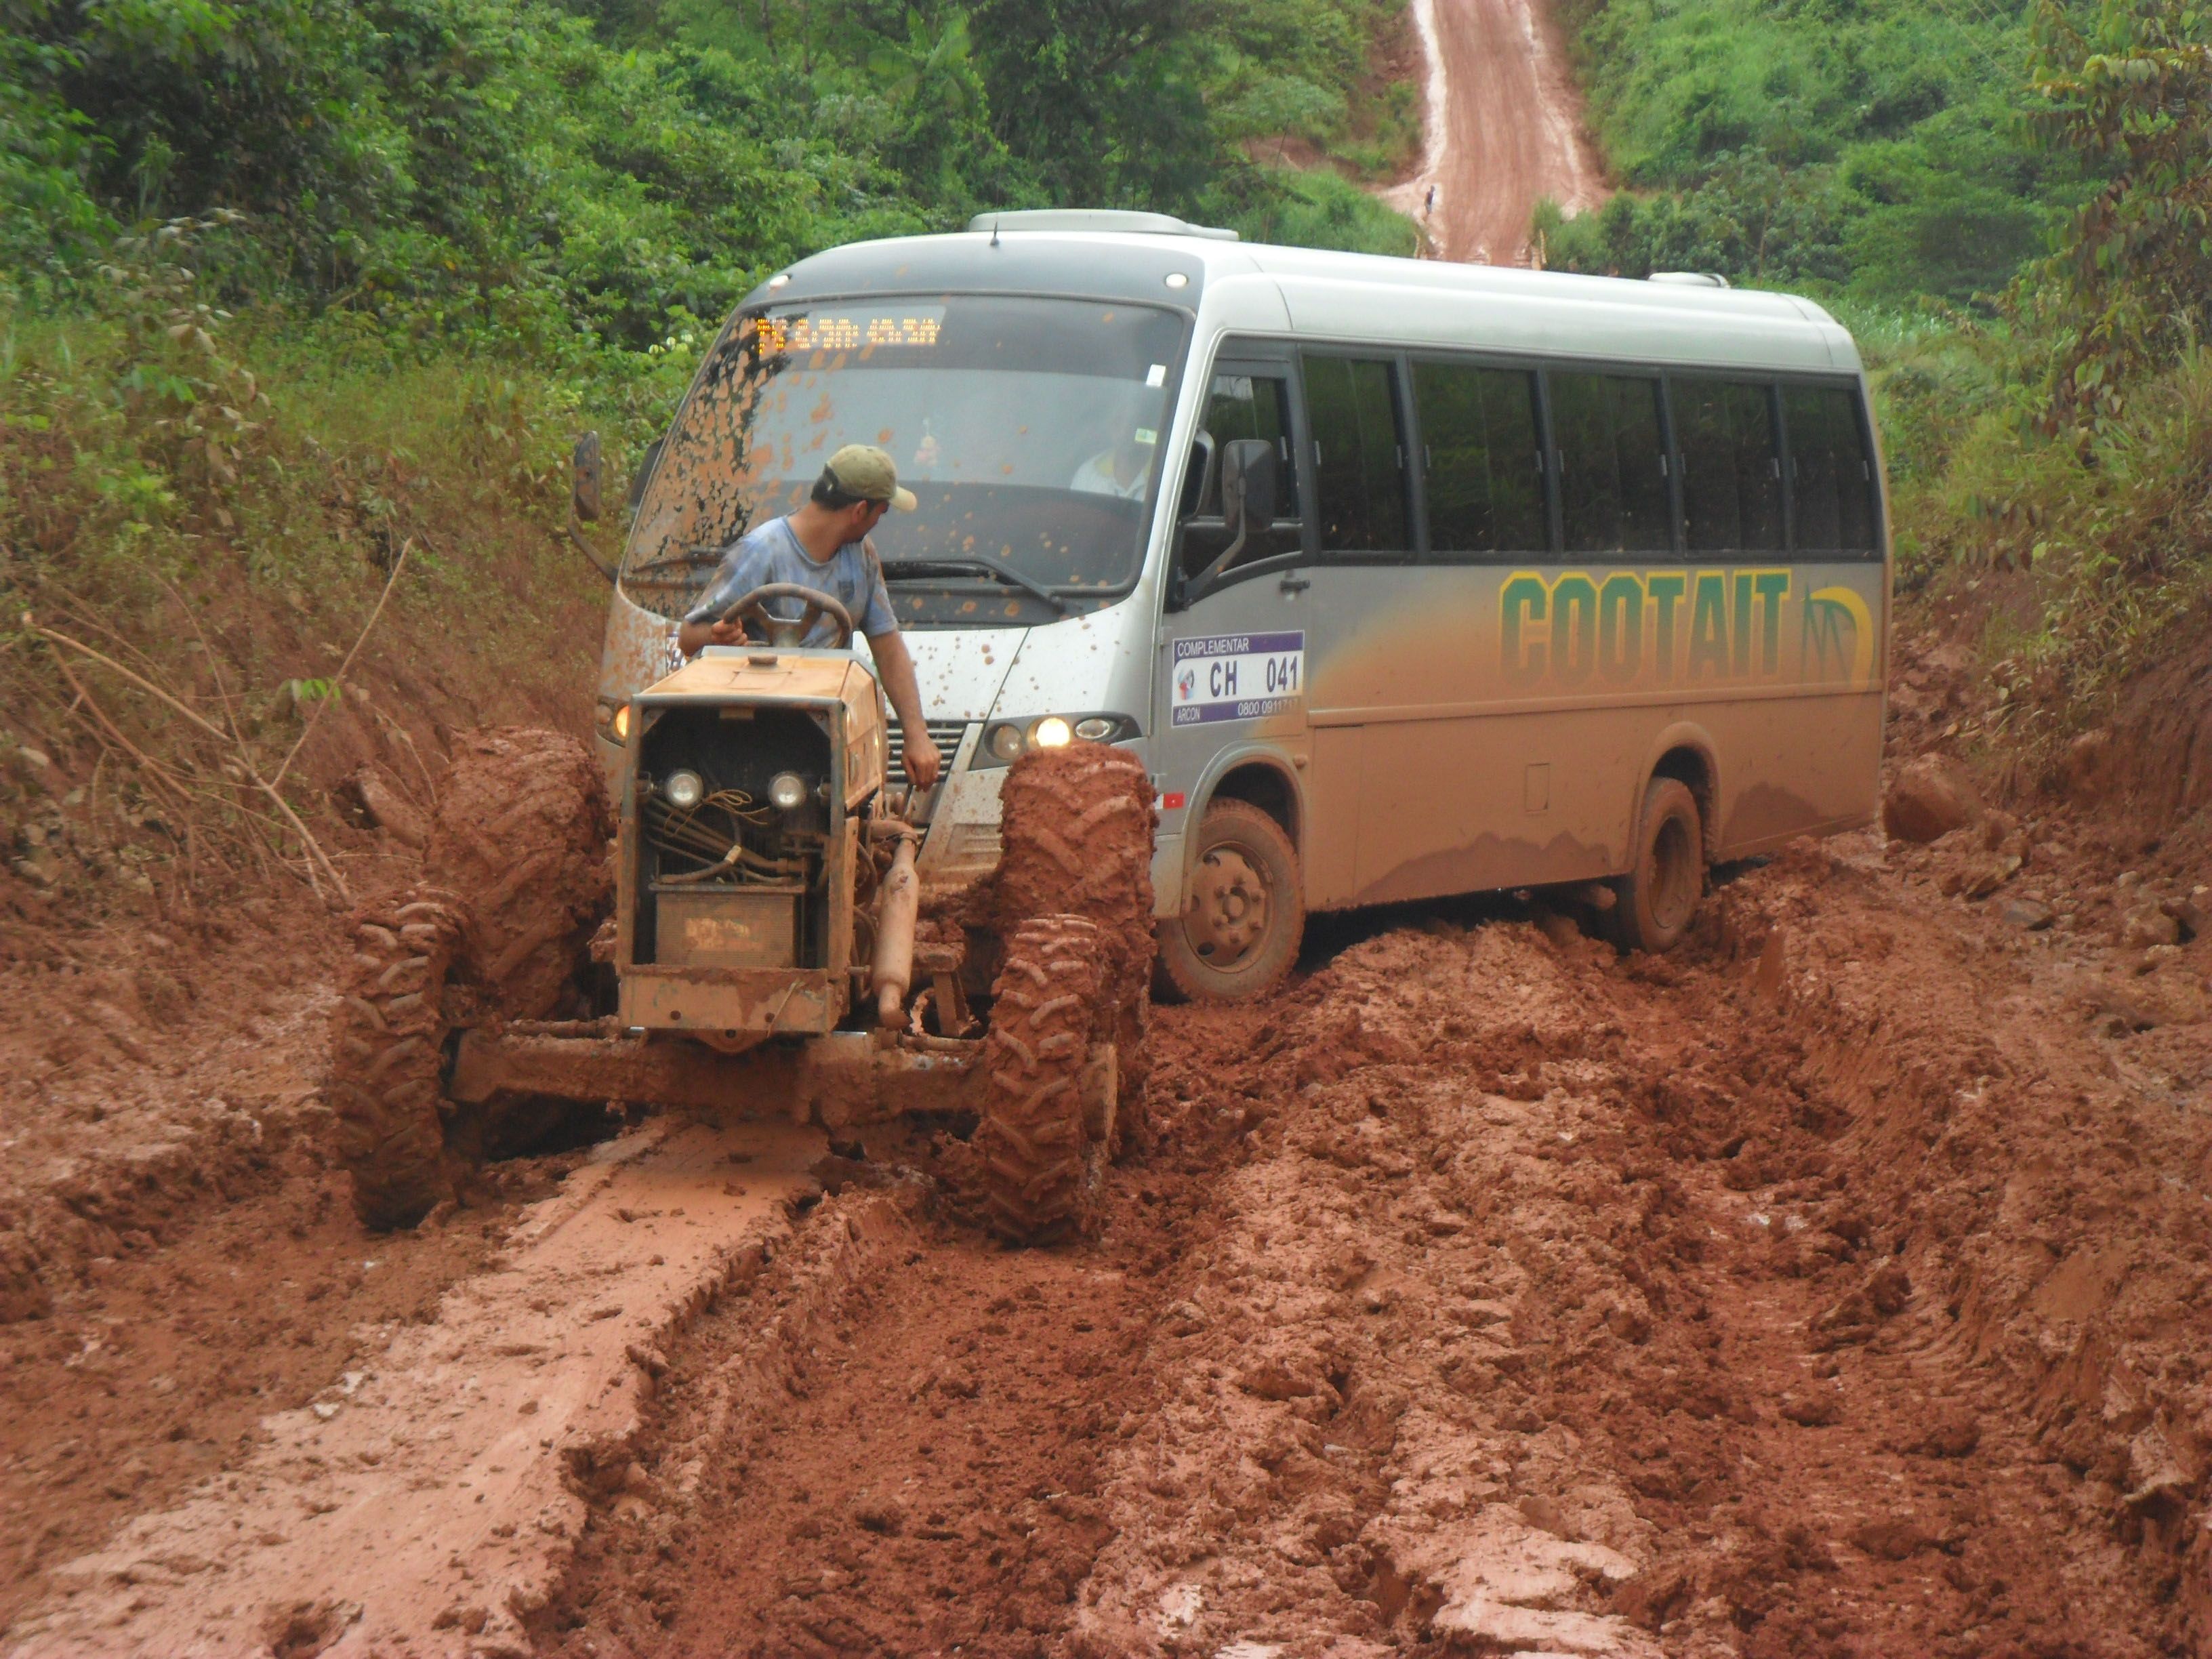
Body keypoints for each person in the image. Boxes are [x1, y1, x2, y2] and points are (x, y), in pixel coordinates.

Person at [677, 443, 942, 790]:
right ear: (860, 511)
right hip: (756, 727)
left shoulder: (861, 555)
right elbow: (688, 636)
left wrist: (916, 734)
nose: (880, 521)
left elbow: (887, 643)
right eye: (882, 512)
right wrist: (718, 636)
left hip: (830, 727)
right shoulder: (761, 551)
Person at [1069, 426, 1155, 499]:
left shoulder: (1161, 474)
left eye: (1132, 424)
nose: (1125, 430)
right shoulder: (1088, 473)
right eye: (1118, 422)